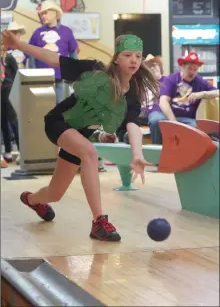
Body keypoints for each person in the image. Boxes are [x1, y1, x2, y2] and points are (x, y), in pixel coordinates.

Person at [2, 31, 158, 242]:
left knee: (54, 193)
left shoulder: (131, 95)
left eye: (138, 56)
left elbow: (132, 125)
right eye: (128, 55)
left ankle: (31, 199)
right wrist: (19, 45)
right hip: (58, 123)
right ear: (116, 58)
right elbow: (54, 59)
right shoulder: (95, 70)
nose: (133, 60)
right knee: (90, 153)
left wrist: (137, 154)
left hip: (78, 135)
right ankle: (99, 222)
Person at [148, 52, 219, 144]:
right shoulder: (172, 79)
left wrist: (202, 94)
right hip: (165, 114)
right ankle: (158, 150)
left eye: (195, 69)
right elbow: (163, 101)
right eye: (190, 68)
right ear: (182, 66)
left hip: (187, 119)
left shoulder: (199, 81)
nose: (192, 72)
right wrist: (173, 122)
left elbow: (217, 92)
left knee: (197, 128)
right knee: (155, 121)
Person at [28, 0, 79, 104]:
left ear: (55, 13)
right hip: (41, 77)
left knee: (60, 104)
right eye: (42, 13)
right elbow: (31, 55)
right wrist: (33, 75)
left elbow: (73, 54)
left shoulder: (66, 31)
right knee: (42, 106)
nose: (43, 16)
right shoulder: (37, 33)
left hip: (61, 76)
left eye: (45, 12)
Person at [1, 46, 20, 163]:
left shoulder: (9, 58)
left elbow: (17, 73)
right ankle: (7, 151)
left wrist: (14, 89)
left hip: (8, 89)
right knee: (2, 122)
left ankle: (21, 150)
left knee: (13, 120)